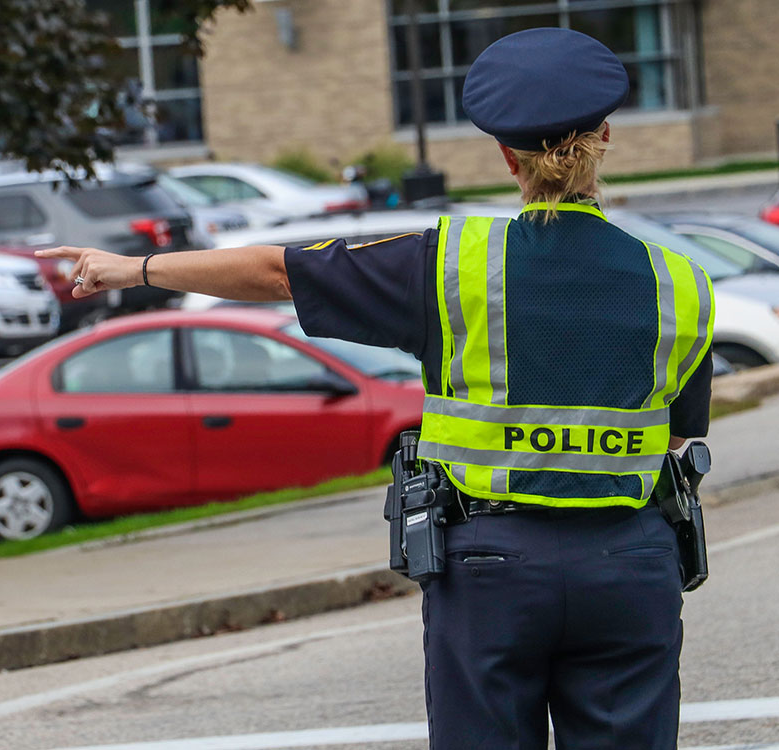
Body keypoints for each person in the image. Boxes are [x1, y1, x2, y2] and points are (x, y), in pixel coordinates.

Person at [38, 27, 713, 750]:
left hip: (490, 571)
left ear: (505, 155)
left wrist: (130, 269)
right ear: (606, 136)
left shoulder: (451, 264)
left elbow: (275, 272)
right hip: (629, 565)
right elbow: (676, 434)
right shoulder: (680, 282)